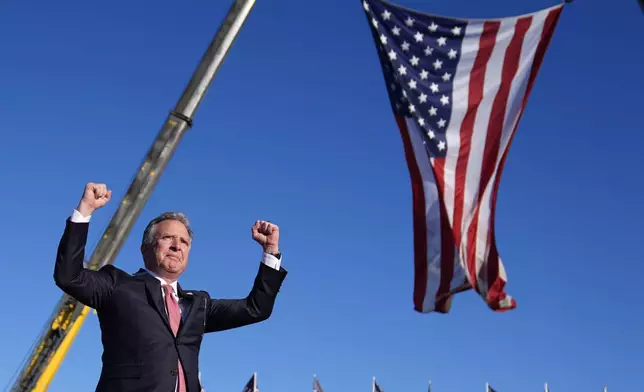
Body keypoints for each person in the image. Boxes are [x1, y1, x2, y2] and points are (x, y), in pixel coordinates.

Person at [54, 182, 288, 392]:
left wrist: (270, 252)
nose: (177, 246)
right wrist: (85, 210)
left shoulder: (198, 305)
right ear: (145, 248)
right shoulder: (117, 285)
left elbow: (257, 309)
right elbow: (69, 276)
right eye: (168, 238)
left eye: (184, 242)